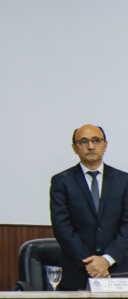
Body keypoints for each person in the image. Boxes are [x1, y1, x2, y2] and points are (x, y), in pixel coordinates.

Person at [49, 124, 128, 290]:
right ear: (74, 148)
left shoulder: (124, 181)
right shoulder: (61, 181)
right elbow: (62, 227)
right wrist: (92, 263)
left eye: (96, 140)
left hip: (117, 271)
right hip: (77, 271)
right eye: (83, 141)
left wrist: (106, 260)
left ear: (105, 145)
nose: (91, 146)